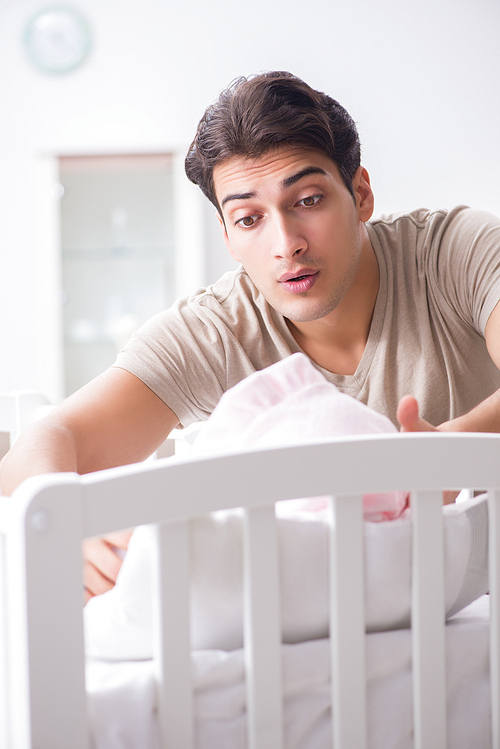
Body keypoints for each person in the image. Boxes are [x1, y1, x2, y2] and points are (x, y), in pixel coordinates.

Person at [2, 71, 500, 601]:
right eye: (248, 218)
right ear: (227, 237)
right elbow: (46, 440)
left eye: (307, 200)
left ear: (359, 194)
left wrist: (455, 449)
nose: (286, 244)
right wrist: (60, 513)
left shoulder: (453, 253)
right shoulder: (214, 330)